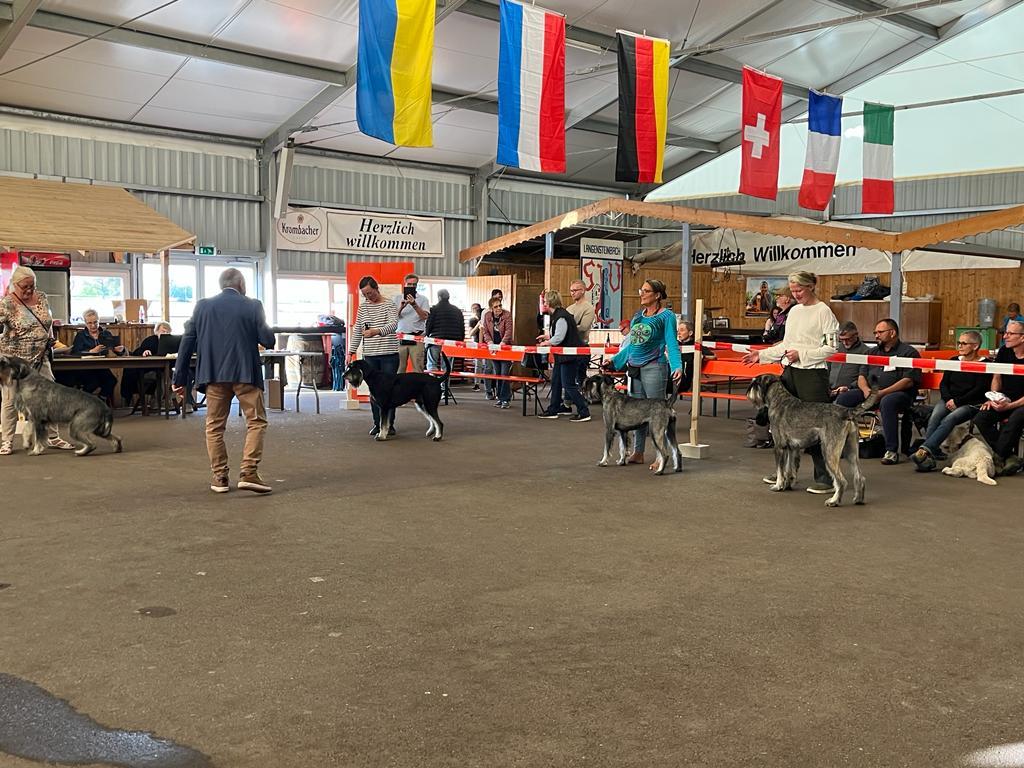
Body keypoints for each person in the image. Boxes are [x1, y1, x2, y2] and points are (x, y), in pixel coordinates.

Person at [172, 268, 276, 494]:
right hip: (246, 374)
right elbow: (268, 340)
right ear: (242, 284)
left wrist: (179, 377)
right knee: (256, 422)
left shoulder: (202, 306)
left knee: (214, 427)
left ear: (221, 285)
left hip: (213, 374)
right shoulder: (253, 305)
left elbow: (187, 341)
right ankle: (248, 472)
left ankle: (220, 477)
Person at [742, 271, 839, 494]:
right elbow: (786, 345)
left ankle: (824, 478)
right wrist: (761, 355)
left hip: (813, 374)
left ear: (811, 286)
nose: (795, 295)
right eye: (793, 291)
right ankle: (785, 473)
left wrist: (802, 355)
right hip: (790, 372)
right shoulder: (794, 311)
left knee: (818, 425)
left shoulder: (824, 312)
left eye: (799, 290)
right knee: (783, 426)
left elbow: (832, 348)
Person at [0, 265, 75, 455]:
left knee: (50, 395)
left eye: (32, 286)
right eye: (25, 286)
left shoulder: (41, 297)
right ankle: (7, 441)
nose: (29, 290)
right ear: (14, 284)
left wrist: (51, 340)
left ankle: (53, 437)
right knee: (10, 400)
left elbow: (47, 322)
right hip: (14, 360)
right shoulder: (6, 303)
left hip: (41, 356)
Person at [608, 279, 683, 466]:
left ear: (657, 295)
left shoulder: (666, 317)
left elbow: (671, 343)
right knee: (636, 413)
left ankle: (660, 456)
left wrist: (677, 366)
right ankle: (638, 452)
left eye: (646, 291)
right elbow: (632, 346)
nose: (641, 293)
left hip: (654, 367)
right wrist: (615, 360)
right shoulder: (638, 317)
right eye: (641, 290)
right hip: (635, 368)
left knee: (657, 414)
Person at [835, 318, 921, 466]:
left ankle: (891, 450)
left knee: (888, 402)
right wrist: (866, 390)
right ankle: (842, 444)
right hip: (870, 392)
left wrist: (882, 393)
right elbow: (861, 376)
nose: (876, 335)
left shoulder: (909, 352)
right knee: (844, 399)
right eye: (875, 332)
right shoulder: (872, 352)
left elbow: (908, 381)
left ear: (892, 333)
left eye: (880, 332)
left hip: (899, 394)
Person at [911, 330, 989, 472]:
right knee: (935, 416)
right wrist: (948, 399)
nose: (960, 346)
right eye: (959, 343)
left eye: (964, 343)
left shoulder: (985, 364)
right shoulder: (953, 361)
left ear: (975, 346)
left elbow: (979, 389)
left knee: (950, 418)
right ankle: (931, 452)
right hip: (949, 399)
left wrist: (957, 402)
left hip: (971, 402)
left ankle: (924, 451)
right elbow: (944, 384)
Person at [347, 276, 400, 435]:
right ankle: (377, 424)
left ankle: (389, 425)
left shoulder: (389, 304)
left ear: (377, 288)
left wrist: (376, 331)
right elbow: (358, 331)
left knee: (389, 392)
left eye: (370, 293)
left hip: (389, 355)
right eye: (365, 294)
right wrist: (350, 352)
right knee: (374, 392)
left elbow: (393, 325)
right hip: (370, 357)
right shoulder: (363, 308)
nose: (368, 297)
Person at [973, 319, 1024, 476]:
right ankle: (1010, 457)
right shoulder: (1003, 351)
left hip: (1021, 402)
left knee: (1015, 419)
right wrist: (993, 397)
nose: (1005, 337)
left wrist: (1009, 406)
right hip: (1004, 398)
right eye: (1005, 333)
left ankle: (999, 457)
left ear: (1022, 337)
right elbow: (997, 377)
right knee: (981, 418)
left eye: (1010, 333)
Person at [537, 290, 590, 423]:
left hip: (568, 356)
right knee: (556, 382)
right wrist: (548, 336)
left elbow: (559, 337)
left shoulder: (561, 317)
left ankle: (584, 411)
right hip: (562, 356)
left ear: (549, 303)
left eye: (545, 301)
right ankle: (553, 409)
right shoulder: (559, 315)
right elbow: (560, 333)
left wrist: (547, 342)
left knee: (569, 385)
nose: (543, 304)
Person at [70, 308, 127, 402]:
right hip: (85, 368)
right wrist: (91, 351)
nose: (93, 325)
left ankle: (101, 401)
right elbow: (75, 353)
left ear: (99, 321)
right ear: (85, 323)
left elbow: (117, 350)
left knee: (112, 380)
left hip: (101, 367)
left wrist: (120, 350)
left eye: (95, 322)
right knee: (92, 383)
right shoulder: (81, 335)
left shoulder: (106, 333)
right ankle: (86, 404)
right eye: (89, 323)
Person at [120, 320, 173, 411]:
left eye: (167, 332)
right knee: (164, 375)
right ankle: (156, 401)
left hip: (164, 369)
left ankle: (165, 401)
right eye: (163, 331)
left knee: (174, 375)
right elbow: (137, 352)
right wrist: (144, 352)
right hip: (147, 372)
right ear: (156, 332)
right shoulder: (150, 340)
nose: (165, 334)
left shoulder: (171, 343)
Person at [479, 295, 513, 408]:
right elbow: (485, 331)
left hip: (505, 347)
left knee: (504, 374)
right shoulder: (487, 316)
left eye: (500, 305)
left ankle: (505, 399)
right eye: (496, 307)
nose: (499, 308)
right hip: (493, 348)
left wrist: (502, 344)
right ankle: (500, 397)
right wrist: (490, 343)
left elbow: (508, 331)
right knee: (497, 373)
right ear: (491, 309)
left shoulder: (507, 315)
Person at [424, 289, 465, 380]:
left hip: (436, 339)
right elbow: (461, 327)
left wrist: (427, 335)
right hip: (451, 341)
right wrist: (460, 340)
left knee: (432, 363)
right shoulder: (457, 310)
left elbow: (429, 324)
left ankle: (432, 383)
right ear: (448, 297)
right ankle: (444, 386)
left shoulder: (434, 309)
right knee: (447, 365)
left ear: (439, 297)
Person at [394, 272, 430, 373]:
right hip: (400, 338)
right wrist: (401, 307)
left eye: (414, 284)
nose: (412, 286)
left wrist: (414, 304)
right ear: (405, 284)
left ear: (417, 285)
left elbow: (424, 317)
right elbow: (393, 318)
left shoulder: (423, 299)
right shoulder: (397, 298)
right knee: (399, 369)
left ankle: (418, 384)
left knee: (418, 369)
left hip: (417, 337)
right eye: (409, 284)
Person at [828, 321, 870, 399]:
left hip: (849, 390)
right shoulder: (836, 348)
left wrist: (849, 387)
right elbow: (827, 368)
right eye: (841, 340)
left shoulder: (865, 351)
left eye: (848, 339)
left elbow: (864, 376)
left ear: (856, 335)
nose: (845, 343)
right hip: (830, 389)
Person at [567, 280, 596, 392]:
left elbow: (583, 327)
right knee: (568, 379)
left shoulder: (588, 308)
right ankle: (569, 400)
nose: (572, 293)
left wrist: (567, 328)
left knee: (580, 379)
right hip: (569, 347)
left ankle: (583, 399)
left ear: (583, 290)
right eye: (571, 290)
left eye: (575, 290)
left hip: (581, 347)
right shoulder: (569, 308)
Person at [676, 319, 714, 394]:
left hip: (685, 380)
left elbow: (713, 356)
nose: (679, 333)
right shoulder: (676, 344)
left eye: (682, 330)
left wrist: (702, 357)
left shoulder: (696, 346)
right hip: (675, 376)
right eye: (678, 330)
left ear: (690, 333)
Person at [467, 303, 483, 391]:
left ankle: (490, 385)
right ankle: (477, 383)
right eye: (473, 308)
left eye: (477, 308)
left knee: (488, 365)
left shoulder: (485, 318)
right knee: (478, 364)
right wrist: (477, 325)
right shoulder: (472, 320)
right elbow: (471, 333)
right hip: (477, 343)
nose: (475, 310)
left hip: (487, 342)